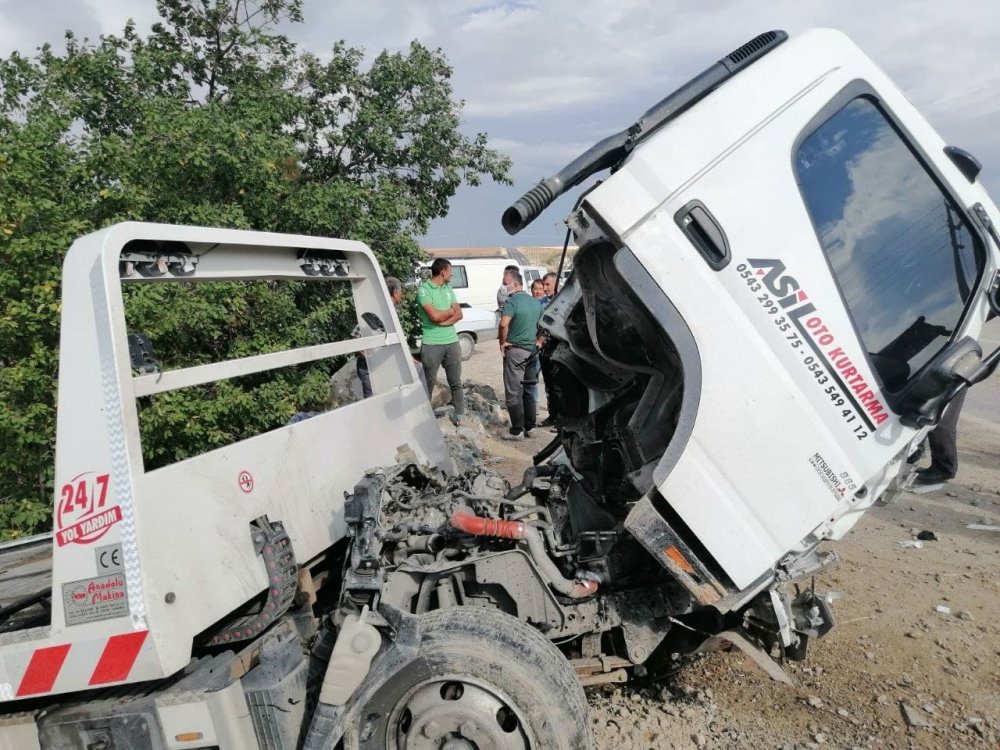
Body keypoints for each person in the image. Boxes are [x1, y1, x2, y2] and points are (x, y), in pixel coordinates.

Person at [357, 276, 426, 397]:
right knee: (374, 403)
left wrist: (412, 359)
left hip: (384, 365)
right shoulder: (377, 310)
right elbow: (356, 336)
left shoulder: (391, 311)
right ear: (395, 293)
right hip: (370, 368)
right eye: (401, 291)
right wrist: (370, 359)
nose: (402, 294)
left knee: (418, 370)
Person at [416, 259, 466, 421]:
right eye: (450, 270)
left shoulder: (448, 288)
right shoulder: (424, 290)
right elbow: (434, 315)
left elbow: (459, 314)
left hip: (451, 341)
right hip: (432, 343)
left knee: (456, 382)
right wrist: (449, 312)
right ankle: (423, 419)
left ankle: (460, 416)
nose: (452, 274)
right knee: (427, 384)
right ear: (443, 271)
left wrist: (442, 320)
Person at [498, 271, 543, 440]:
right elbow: (545, 326)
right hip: (533, 352)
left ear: (516, 284)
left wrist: (502, 343)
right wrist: (539, 341)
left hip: (516, 352)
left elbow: (503, 324)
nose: (503, 287)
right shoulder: (536, 303)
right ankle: (530, 428)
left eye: (505, 283)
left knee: (513, 391)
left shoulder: (511, 301)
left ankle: (517, 430)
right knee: (530, 389)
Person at [910, 390, 967, 493]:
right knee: (918, 412)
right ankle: (911, 456)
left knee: (940, 421)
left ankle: (943, 469)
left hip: (953, 377)